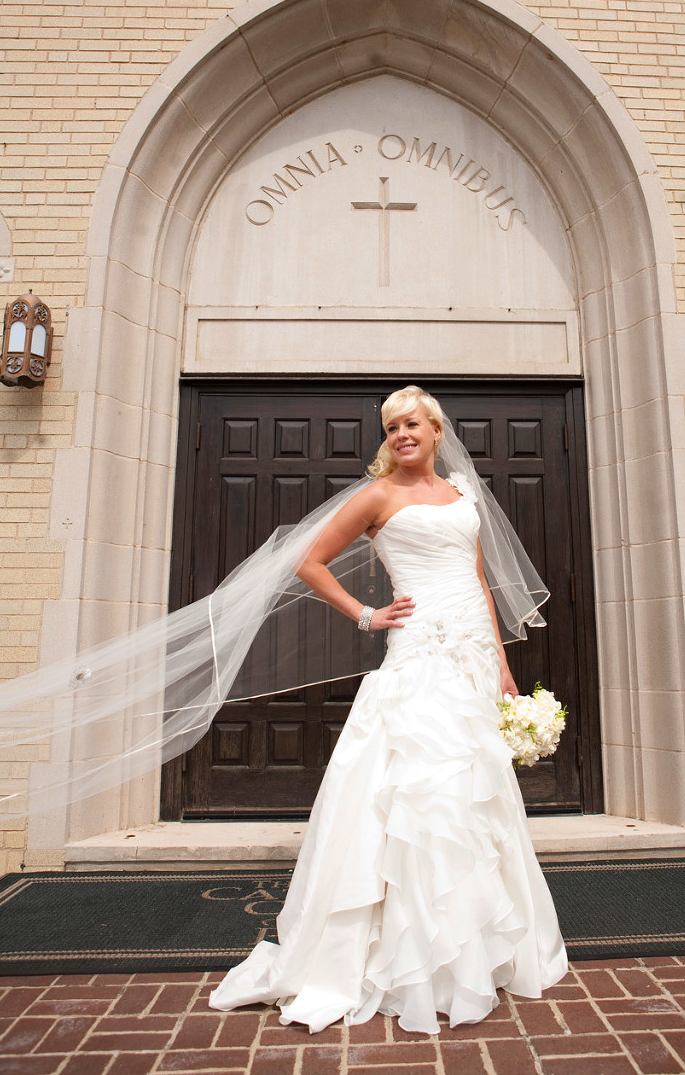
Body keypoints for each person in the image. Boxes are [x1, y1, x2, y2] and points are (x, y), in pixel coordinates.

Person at [209, 385, 568, 1034]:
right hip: (420, 653)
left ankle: (476, 948)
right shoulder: (377, 496)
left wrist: (503, 666)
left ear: (435, 430)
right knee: (422, 794)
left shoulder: (463, 493)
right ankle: (415, 959)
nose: (403, 433)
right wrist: (366, 614)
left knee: (471, 796)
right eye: (392, 426)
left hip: (472, 659)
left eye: (413, 423)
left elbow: (480, 579)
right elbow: (309, 562)